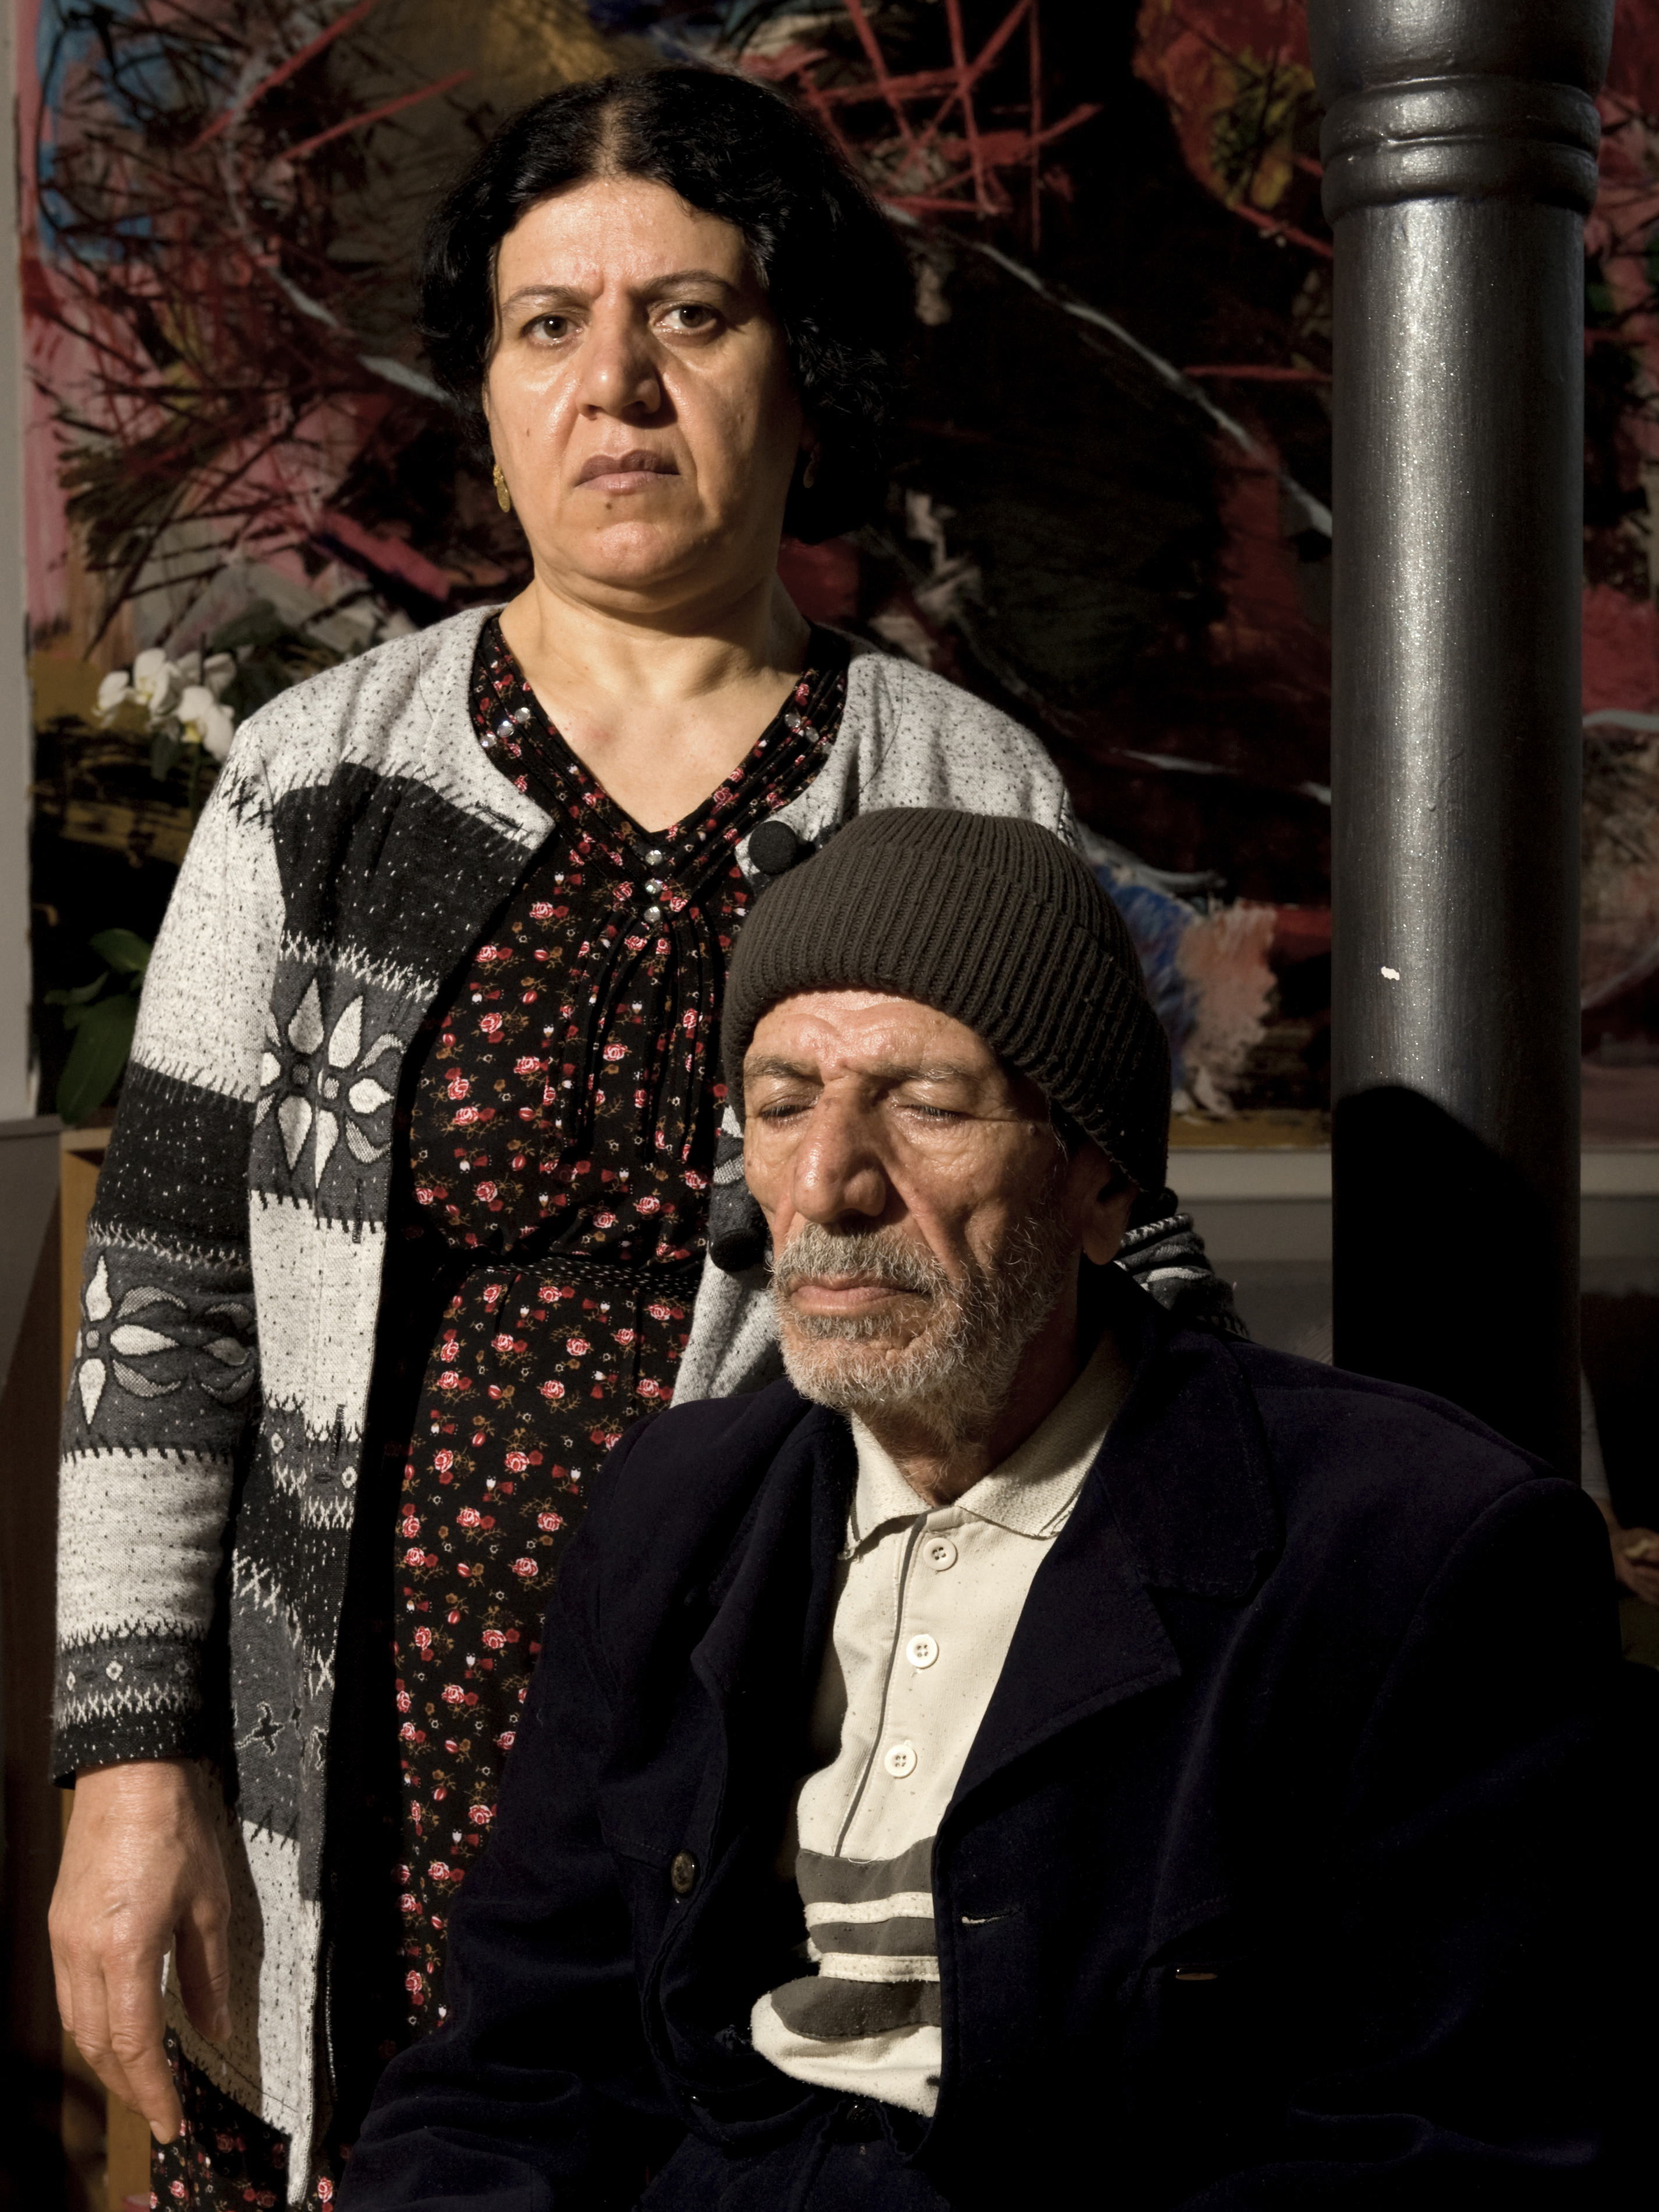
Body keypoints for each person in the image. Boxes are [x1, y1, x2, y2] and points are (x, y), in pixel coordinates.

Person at [47, 66, 1236, 2212]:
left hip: (811, 1756)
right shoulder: (319, 781)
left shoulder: (954, 786)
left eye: (690, 315)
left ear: (804, 376)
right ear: (494, 400)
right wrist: (133, 1769)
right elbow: (166, 1310)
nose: (615, 383)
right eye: (548, 326)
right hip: (369, 1767)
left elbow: (1117, 1263)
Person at [342, 809, 1620, 2212]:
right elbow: (518, 2067)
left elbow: (1452, 2146)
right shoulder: (680, 1505)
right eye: (784, 1102)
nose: (829, 1183)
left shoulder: (1409, 1547)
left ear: (1099, 1180)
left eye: (928, 1104)